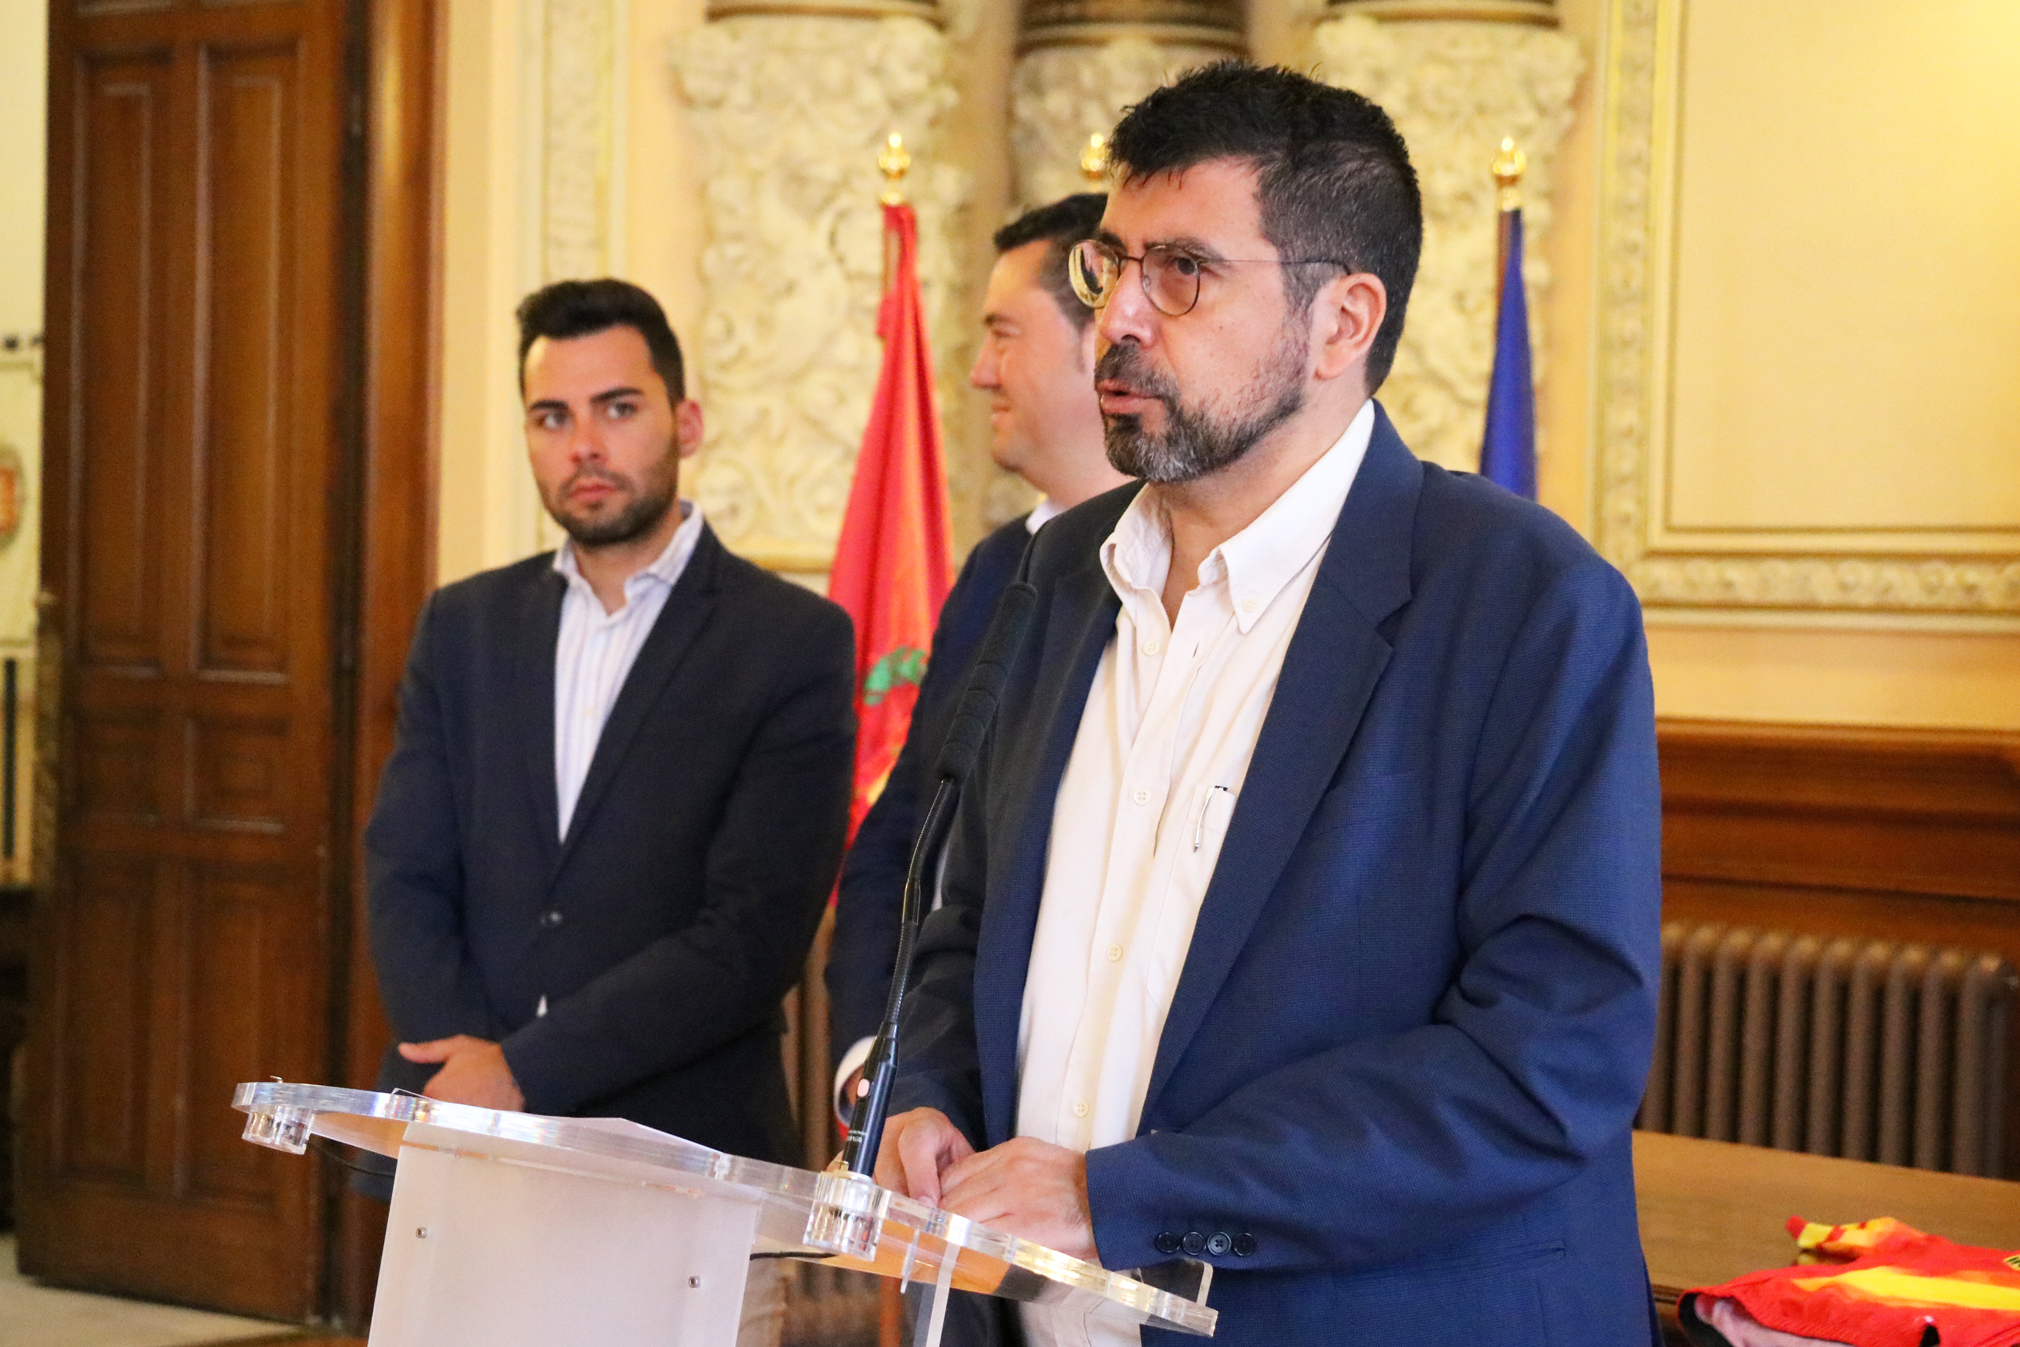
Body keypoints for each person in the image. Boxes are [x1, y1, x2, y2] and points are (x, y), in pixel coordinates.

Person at [875, 63, 1664, 1347]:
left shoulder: (1524, 602)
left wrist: (1125, 1199)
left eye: (1182, 273)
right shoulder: (1056, 575)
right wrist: (921, 1093)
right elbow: (961, 923)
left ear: (1341, 321)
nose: (1116, 319)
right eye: (1108, 267)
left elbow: (1542, 1066)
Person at [363, 279, 855, 1347]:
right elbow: (405, 869)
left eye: (617, 408)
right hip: (469, 1161)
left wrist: (523, 1071)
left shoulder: (792, 642)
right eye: (552, 417)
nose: (583, 443)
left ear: (686, 421)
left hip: (684, 1173)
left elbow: (751, 936)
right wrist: (466, 1075)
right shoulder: (464, 625)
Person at [826, 192, 1129, 1103]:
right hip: (928, 1107)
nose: (978, 372)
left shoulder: (1195, 572)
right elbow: (906, 832)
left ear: (1099, 340)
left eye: (1003, 334)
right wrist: (869, 1064)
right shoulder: (1000, 568)